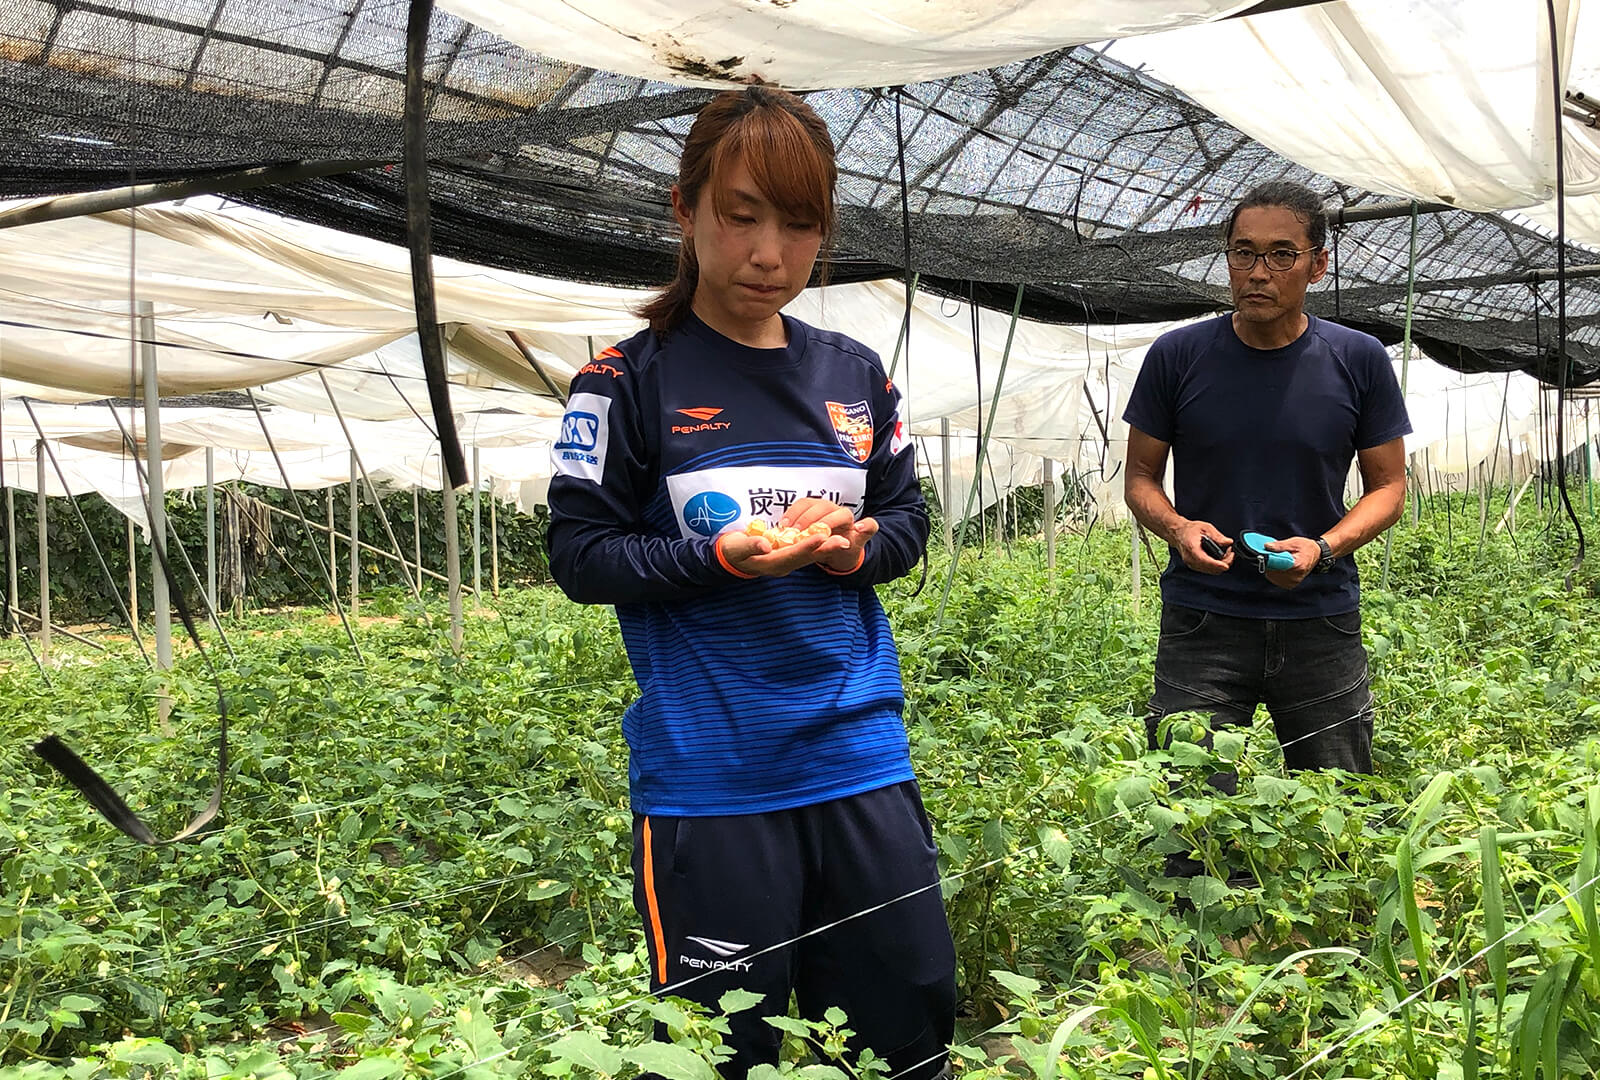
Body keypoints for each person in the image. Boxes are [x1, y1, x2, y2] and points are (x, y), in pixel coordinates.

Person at [546, 85, 954, 1080]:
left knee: (902, 1036)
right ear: (685, 212)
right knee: (722, 1052)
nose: (769, 252)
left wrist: (848, 546)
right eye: (741, 216)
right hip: (713, 779)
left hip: (862, 754)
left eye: (799, 224)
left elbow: (908, 524)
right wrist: (713, 558)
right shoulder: (626, 382)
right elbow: (580, 556)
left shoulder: (854, 375)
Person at [1121, 180, 1412, 877]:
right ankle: (1194, 953)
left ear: (1319, 264)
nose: (1257, 272)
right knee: (1192, 806)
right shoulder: (1177, 356)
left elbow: (1390, 487)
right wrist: (1179, 527)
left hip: (1320, 619)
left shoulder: (1357, 359)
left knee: (1334, 802)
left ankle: (1326, 951)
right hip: (1203, 619)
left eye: (1282, 255)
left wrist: (1326, 546)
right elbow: (1139, 481)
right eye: (1243, 253)